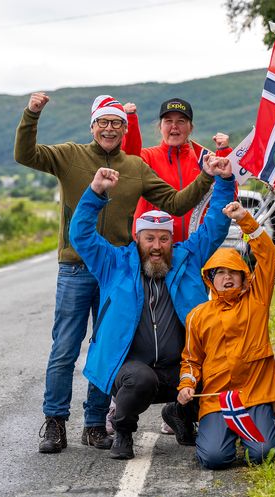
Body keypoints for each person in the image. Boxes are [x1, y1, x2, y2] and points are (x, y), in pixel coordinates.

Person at [14, 92, 216, 454]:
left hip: (118, 269)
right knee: (64, 348)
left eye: (116, 123)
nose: (109, 128)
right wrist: (32, 114)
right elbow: (25, 155)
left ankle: (93, 425)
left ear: (125, 129)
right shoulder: (69, 156)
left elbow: (175, 202)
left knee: (108, 346)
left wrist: (205, 177)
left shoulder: (135, 167)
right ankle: (55, 423)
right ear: (92, 125)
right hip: (76, 267)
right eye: (103, 122)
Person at [68, 158, 236, 460]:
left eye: (163, 238)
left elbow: (215, 225)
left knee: (217, 371)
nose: (157, 246)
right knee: (140, 379)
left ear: (172, 240)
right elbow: (80, 235)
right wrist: (95, 192)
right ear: (138, 239)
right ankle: (122, 430)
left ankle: (182, 415)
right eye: (150, 238)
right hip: (134, 368)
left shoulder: (187, 258)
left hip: (182, 366)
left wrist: (223, 182)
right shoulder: (114, 264)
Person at [169, 204, 275, 470]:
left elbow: (267, 254)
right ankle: (217, 435)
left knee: (264, 455)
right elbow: (191, 360)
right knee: (213, 459)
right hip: (216, 397)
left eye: (232, 272)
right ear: (211, 279)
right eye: (220, 272)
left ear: (243, 276)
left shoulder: (256, 300)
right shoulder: (198, 315)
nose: (226, 277)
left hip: (255, 393)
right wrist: (186, 385)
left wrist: (245, 219)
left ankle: (252, 438)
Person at [122, 98, 232, 242]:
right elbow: (129, 157)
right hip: (153, 248)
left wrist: (223, 153)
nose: (174, 126)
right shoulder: (146, 157)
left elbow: (228, 198)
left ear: (190, 127)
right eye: (168, 121)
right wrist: (130, 120)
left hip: (194, 249)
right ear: (160, 127)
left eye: (181, 121)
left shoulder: (204, 160)